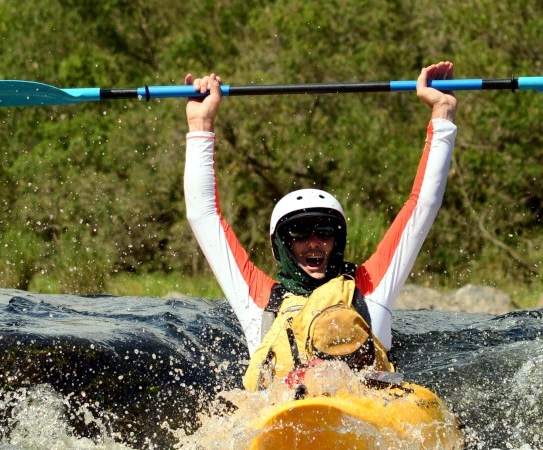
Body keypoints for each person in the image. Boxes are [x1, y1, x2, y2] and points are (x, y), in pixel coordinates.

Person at [183, 62, 458, 392]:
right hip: (284, 419)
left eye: (325, 232)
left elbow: (422, 207)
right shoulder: (258, 301)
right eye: (299, 234)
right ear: (281, 245)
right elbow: (204, 216)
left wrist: (441, 113)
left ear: (338, 239)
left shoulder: (369, 290)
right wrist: (201, 124)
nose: (314, 243)